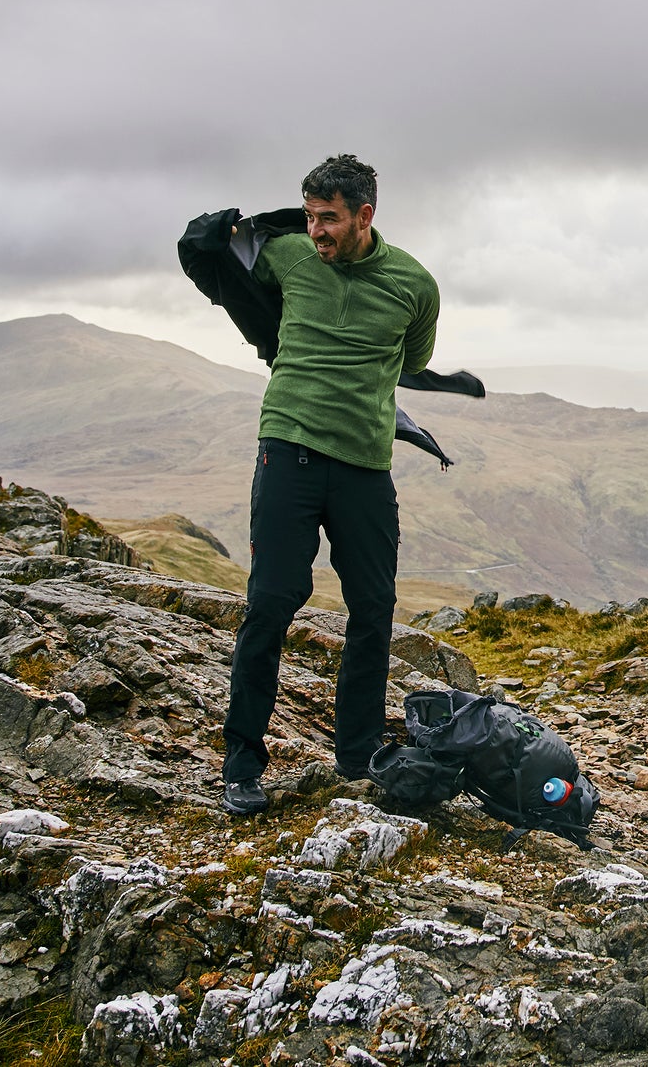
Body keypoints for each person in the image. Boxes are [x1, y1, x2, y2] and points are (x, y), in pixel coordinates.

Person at [221, 154, 440, 817]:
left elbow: (415, 358)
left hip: (365, 466)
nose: (316, 230)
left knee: (373, 609)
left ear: (365, 215)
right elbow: (231, 267)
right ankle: (240, 763)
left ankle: (357, 752)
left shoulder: (413, 284)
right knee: (271, 602)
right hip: (287, 449)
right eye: (310, 216)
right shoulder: (288, 255)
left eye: (330, 219)